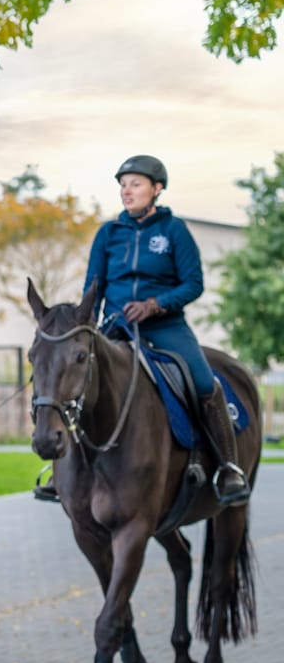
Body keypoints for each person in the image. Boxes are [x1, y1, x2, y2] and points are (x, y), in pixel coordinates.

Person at [50, 154, 247, 504]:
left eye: (136, 184)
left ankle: (228, 468)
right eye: (123, 185)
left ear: (156, 189)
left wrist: (157, 304)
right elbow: (93, 286)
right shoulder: (108, 233)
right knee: (78, 380)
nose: (127, 191)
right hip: (114, 327)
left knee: (205, 383)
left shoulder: (175, 231)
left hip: (166, 326)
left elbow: (194, 284)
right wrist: (87, 323)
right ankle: (60, 472)